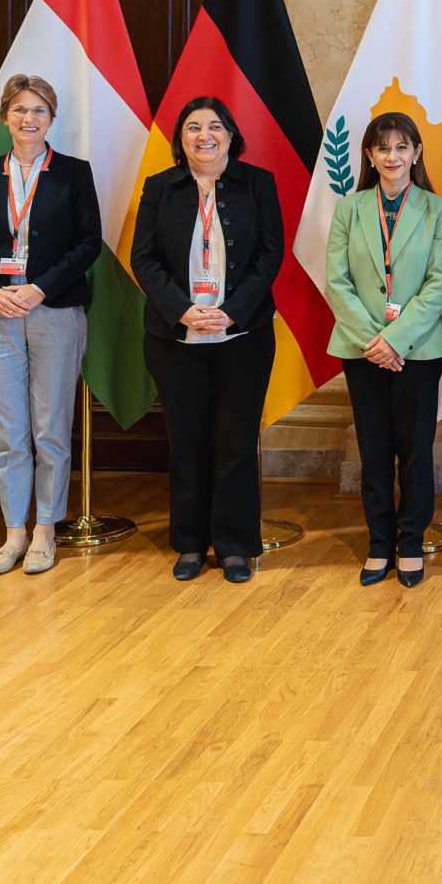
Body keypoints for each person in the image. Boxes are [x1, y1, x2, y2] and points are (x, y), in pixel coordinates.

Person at [0, 75, 100, 578]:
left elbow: (88, 244)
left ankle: (45, 531)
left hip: (54, 312)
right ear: (4, 118)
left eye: (38, 111)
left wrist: (41, 289)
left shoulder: (73, 173)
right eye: (18, 110)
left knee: (50, 428)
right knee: (9, 433)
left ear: (52, 118)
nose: (28, 119)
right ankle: (15, 531)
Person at [132, 96, 283, 585]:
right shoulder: (160, 188)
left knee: (235, 442)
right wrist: (184, 309)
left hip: (243, 335)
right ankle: (191, 544)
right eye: (193, 127)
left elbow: (269, 255)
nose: (205, 135)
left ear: (232, 136)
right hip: (175, 337)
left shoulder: (257, 184)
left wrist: (230, 313)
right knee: (188, 441)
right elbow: (144, 260)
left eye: (215, 126)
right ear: (180, 139)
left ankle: (235, 546)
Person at [323, 111, 442, 589]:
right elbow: (337, 282)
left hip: (418, 350)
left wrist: (395, 340)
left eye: (402, 147)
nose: (392, 156)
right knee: (374, 448)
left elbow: (439, 283)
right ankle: (379, 541)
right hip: (361, 350)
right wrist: (373, 341)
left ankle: (410, 541)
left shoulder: (438, 210)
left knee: (415, 449)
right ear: (369, 156)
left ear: (416, 153)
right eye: (383, 148)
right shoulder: (349, 209)